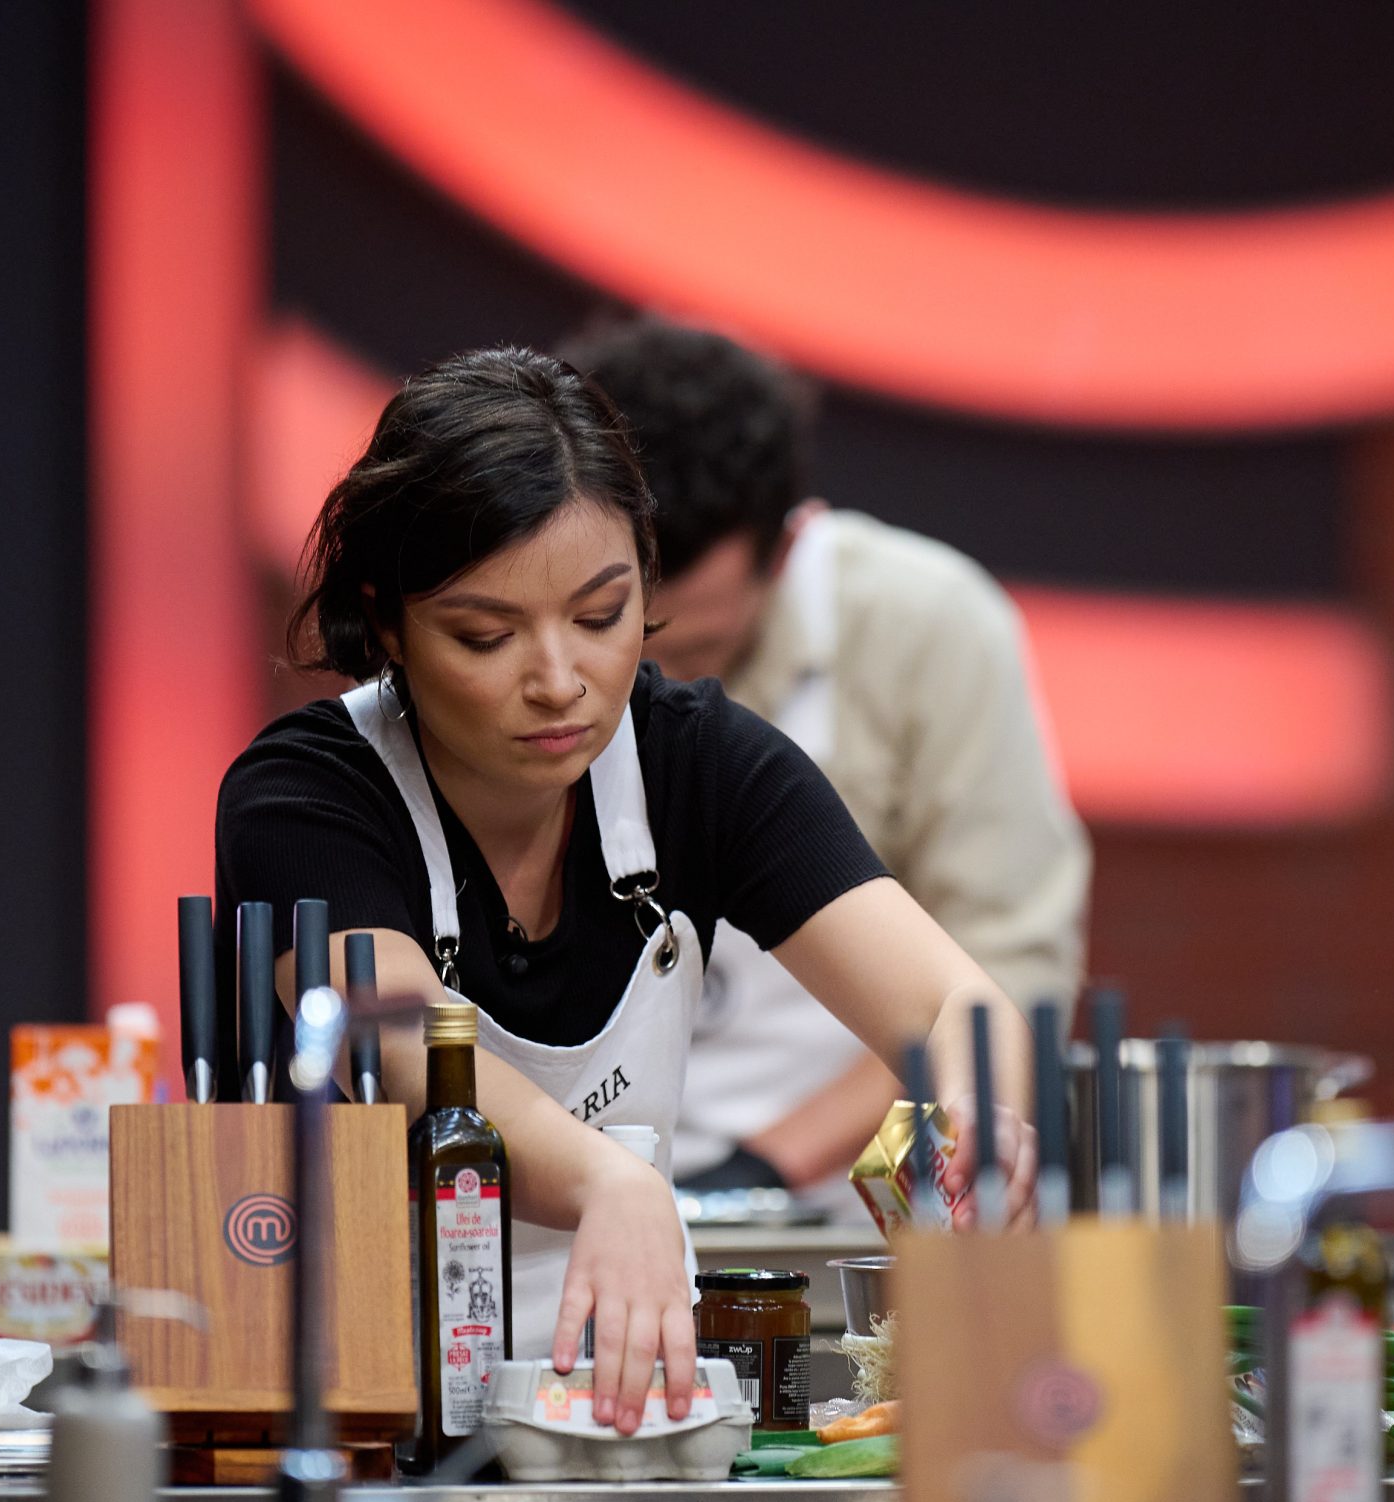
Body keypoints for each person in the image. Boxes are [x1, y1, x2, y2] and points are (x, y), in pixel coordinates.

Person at [215, 347, 1035, 1433]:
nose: (559, 680)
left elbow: (953, 1004)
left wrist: (979, 1107)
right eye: (485, 635)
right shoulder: (303, 794)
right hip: (353, 1412)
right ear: (386, 620)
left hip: (633, 1406)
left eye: (600, 616)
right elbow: (398, 1037)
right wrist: (614, 1180)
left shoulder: (703, 763)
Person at [559, 317, 1090, 1213]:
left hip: (840, 1213)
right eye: (610, 626)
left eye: (698, 644)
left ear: (787, 544)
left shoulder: (928, 626)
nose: (648, 687)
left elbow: (1005, 971)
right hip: (571, 1199)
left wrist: (763, 1166)